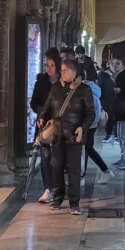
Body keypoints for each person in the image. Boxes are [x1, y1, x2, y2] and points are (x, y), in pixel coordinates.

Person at [37, 57, 96, 214]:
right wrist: (42, 116)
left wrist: (83, 127)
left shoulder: (84, 89)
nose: (62, 73)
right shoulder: (56, 88)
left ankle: (74, 202)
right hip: (57, 133)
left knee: (74, 169)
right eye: (61, 70)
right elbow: (47, 105)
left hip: (74, 134)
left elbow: (90, 113)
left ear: (74, 72)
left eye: (65, 70)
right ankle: (57, 198)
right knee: (56, 166)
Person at [29, 48, 61, 204]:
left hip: (60, 126)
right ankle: (48, 189)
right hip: (44, 127)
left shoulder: (65, 83)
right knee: (45, 158)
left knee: (58, 159)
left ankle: (57, 188)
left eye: (52, 65)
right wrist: (41, 112)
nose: (48, 69)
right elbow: (33, 102)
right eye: (47, 65)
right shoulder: (41, 82)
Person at [97, 59, 116, 142]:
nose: (115, 66)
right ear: (109, 65)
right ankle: (108, 134)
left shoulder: (116, 75)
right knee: (109, 118)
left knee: (114, 118)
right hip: (106, 101)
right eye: (113, 64)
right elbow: (99, 88)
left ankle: (116, 135)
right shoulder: (103, 76)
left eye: (116, 64)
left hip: (115, 100)